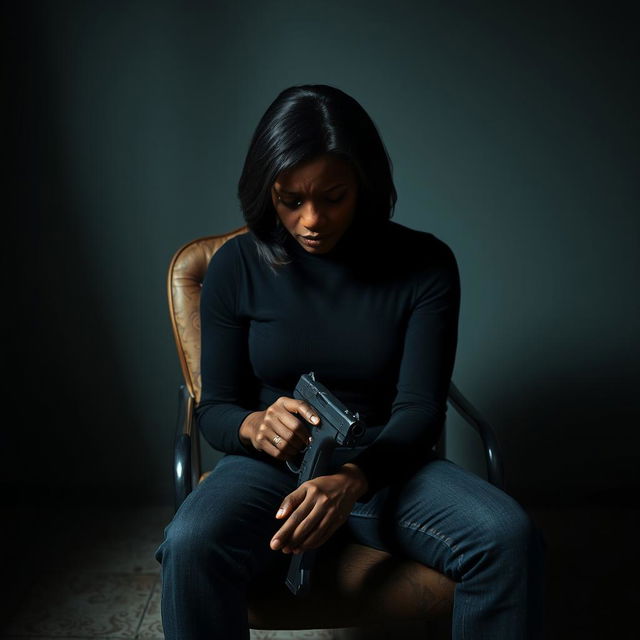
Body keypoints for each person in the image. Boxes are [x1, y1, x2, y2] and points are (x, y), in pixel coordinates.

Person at [154, 84, 544, 639]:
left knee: (507, 537)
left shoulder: (424, 265)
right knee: (191, 542)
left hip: (386, 470)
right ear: (268, 191)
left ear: (364, 184)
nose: (312, 219)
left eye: (333, 196)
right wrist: (253, 425)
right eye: (292, 200)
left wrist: (354, 478)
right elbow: (215, 407)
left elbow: (420, 411)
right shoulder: (233, 266)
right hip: (269, 474)